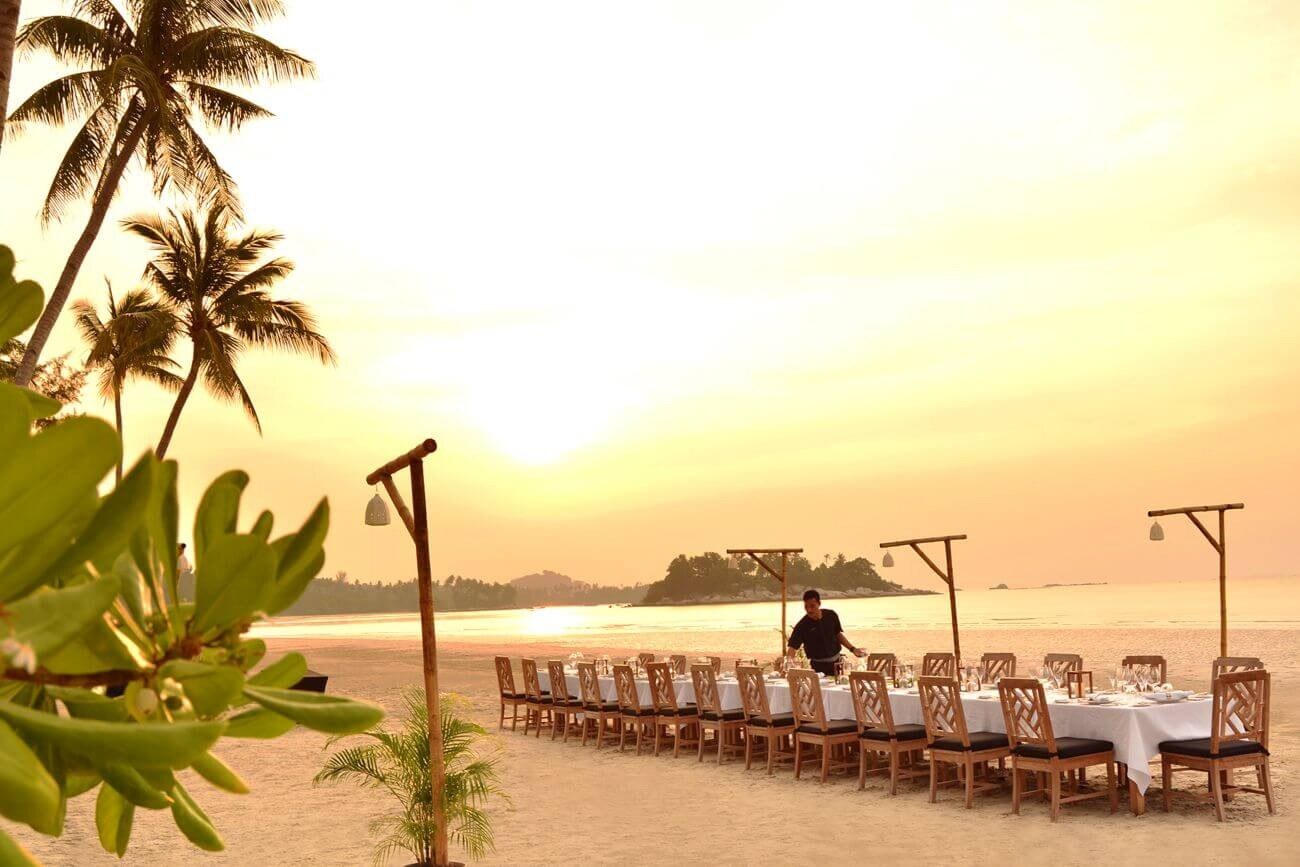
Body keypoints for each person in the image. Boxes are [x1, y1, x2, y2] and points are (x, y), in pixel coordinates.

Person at [786, 589, 866, 677]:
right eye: (806, 606)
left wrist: (853, 649)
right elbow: (792, 648)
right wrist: (788, 665)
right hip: (818, 668)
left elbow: (838, 634)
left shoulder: (831, 615)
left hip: (837, 664)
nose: (809, 610)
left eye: (812, 606)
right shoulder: (802, 625)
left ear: (819, 603)